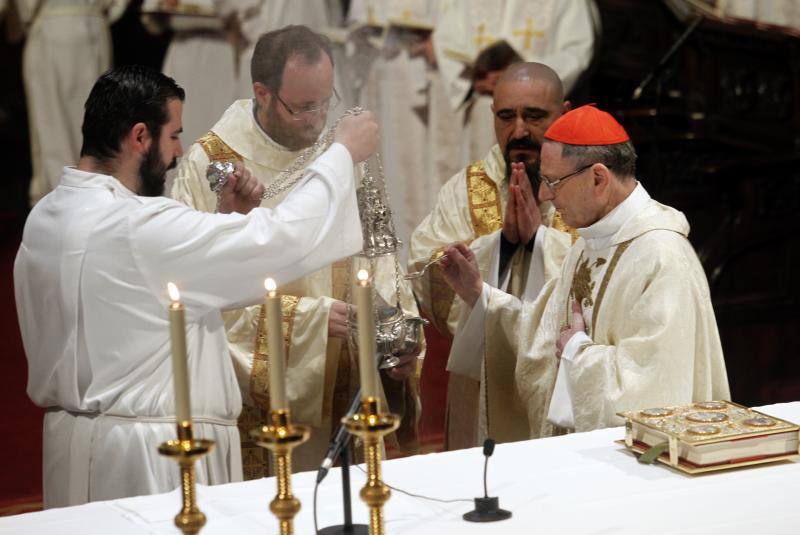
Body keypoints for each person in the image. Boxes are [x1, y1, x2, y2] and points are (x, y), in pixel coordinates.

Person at [14, 64, 379, 508]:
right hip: (156, 458)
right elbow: (280, 238)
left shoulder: (46, 217)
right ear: (140, 137)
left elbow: (143, 291)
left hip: (72, 446)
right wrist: (340, 154)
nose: (179, 152)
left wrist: (224, 225)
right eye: (173, 136)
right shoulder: (136, 227)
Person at [171, 25, 421, 477]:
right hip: (263, 411)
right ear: (262, 93)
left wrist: (394, 335)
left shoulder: (342, 149)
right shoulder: (211, 163)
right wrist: (307, 320)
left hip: (348, 381)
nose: (318, 119)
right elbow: (196, 295)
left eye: (327, 102)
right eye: (303, 107)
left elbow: (380, 253)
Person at [440, 104, 730, 439]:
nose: (545, 194)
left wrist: (579, 351)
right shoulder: (588, 244)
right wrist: (479, 294)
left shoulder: (662, 258)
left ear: (598, 178)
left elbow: (656, 396)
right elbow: (542, 338)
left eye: (553, 181)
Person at [408, 62, 575, 449]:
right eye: (506, 117)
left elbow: (601, 275)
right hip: (482, 380)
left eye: (534, 117)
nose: (519, 131)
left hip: (560, 378)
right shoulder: (464, 190)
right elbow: (424, 265)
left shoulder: (585, 182)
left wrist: (539, 242)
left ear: (563, 114)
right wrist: (501, 246)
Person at [432, 0, 597, 164]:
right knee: (481, 178)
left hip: (536, 111)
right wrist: (473, 78)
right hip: (481, 107)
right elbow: (447, 38)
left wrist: (522, 79)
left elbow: (577, 51)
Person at [15, 0, 130, 205]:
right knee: (94, 120)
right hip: (94, 29)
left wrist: (21, 20)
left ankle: (63, 202)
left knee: (52, 124)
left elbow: (27, 8)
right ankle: (93, 197)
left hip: (53, 29)